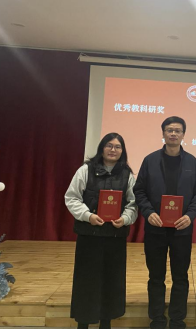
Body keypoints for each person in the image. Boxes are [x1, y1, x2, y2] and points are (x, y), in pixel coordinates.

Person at [133, 116, 196, 329]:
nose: (173, 134)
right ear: (163, 133)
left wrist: (190, 216)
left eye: (177, 130)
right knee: (156, 276)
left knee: (180, 276)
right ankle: (156, 319)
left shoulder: (192, 162)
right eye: (169, 130)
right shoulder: (150, 160)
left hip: (182, 230)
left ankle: (177, 320)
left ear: (183, 135)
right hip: (155, 229)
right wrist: (148, 212)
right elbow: (139, 191)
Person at [65, 133, 138, 330]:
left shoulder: (127, 175)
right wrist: (88, 216)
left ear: (122, 151)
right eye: (109, 145)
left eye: (117, 147)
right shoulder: (85, 170)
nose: (113, 150)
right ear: (101, 148)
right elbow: (71, 198)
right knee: (86, 281)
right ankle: (83, 323)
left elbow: (133, 204)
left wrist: (125, 219)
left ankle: (106, 323)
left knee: (111, 282)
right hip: (89, 236)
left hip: (115, 237)